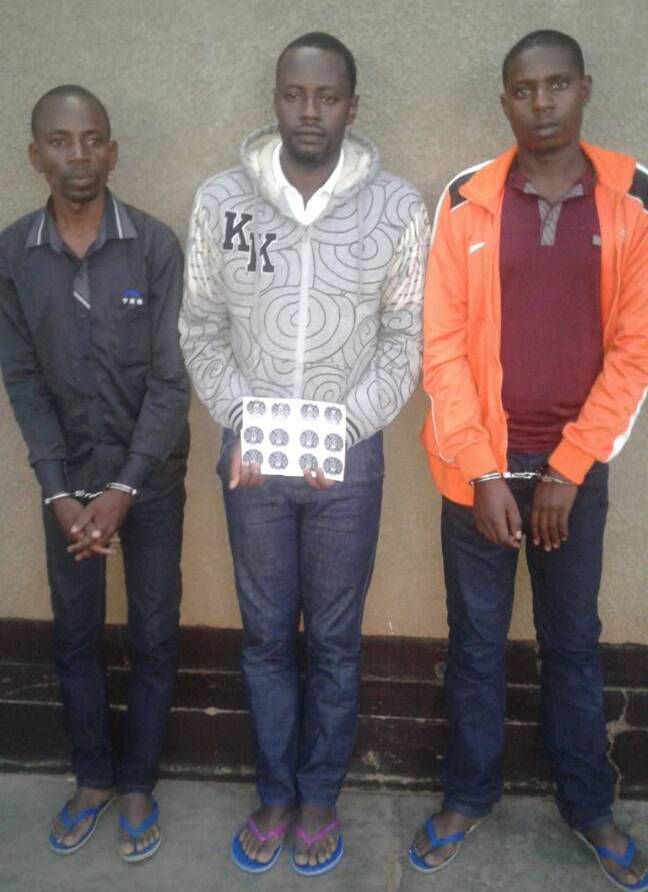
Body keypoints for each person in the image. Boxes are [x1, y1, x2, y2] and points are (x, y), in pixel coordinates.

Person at [180, 32, 429, 876]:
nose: (310, 111)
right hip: (250, 462)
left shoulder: (397, 207)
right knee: (263, 637)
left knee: (332, 639)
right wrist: (242, 419)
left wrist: (341, 428)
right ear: (276, 100)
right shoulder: (222, 201)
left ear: (352, 105)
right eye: (295, 94)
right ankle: (275, 793)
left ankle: (319, 795)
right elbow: (200, 327)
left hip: (347, 465)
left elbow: (405, 338)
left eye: (327, 96)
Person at [411, 29, 648, 889]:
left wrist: (569, 468)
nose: (540, 103)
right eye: (523, 89)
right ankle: (467, 795)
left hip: (572, 473)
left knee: (572, 642)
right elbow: (440, 346)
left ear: (584, 88)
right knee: (475, 644)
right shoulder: (466, 197)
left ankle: (588, 806)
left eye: (556, 85)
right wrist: (483, 471)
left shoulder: (634, 197)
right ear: (505, 100)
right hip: (475, 463)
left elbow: (636, 348)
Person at [0, 86, 190, 863]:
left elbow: (172, 381)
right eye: (60, 141)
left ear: (111, 151)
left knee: (153, 629)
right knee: (74, 635)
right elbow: (21, 378)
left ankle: (138, 779)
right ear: (35, 154)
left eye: (91, 140)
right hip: (68, 492)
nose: (77, 155)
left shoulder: (154, 246)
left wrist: (125, 485)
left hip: (151, 482)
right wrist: (57, 488)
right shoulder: (13, 254)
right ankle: (92, 778)